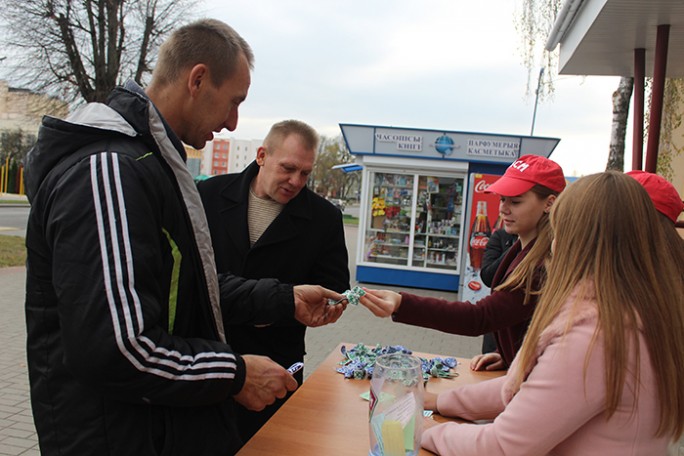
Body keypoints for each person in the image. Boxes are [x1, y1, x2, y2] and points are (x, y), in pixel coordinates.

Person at [23, 19, 344, 455]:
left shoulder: (151, 163)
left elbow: (189, 286)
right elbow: (119, 349)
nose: (232, 123)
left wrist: (283, 299)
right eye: (233, 103)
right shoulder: (111, 173)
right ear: (197, 80)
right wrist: (234, 374)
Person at [421, 171, 684, 455]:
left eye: (556, 231)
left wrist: (419, 429)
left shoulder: (594, 333)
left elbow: (502, 446)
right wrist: (440, 401)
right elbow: (525, 388)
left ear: (574, 240)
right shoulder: (644, 309)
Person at [198, 119, 350, 441]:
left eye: (305, 173)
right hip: (208, 362)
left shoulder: (324, 218)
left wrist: (329, 307)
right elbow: (190, 278)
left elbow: (335, 287)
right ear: (262, 155)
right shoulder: (207, 195)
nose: (296, 181)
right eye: (288, 168)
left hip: (276, 371)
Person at [359, 155, 565, 371]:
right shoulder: (522, 249)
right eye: (502, 199)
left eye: (515, 201)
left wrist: (402, 303)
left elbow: (478, 317)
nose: (504, 208)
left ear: (549, 203)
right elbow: (519, 322)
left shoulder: (541, 265)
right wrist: (506, 354)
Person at [479, 228, 518, 353]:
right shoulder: (501, 236)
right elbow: (487, 277)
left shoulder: (550, 244)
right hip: (497, 329)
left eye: (516, 206)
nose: (504, 210)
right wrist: (517, 247)